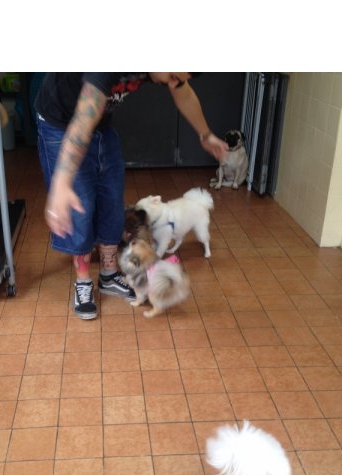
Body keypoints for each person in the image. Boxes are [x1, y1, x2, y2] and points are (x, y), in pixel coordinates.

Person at [35, 73, 228, 320]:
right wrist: (61, 183)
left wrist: (205, 134)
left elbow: (184, 92)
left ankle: (109, 275)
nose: (173, 82)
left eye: (179, 77)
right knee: (81, 204)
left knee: (112, 200)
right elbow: (82, 121)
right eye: (172, 75)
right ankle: (83, 283)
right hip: (60, 120)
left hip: (100, 123)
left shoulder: (169, 70)